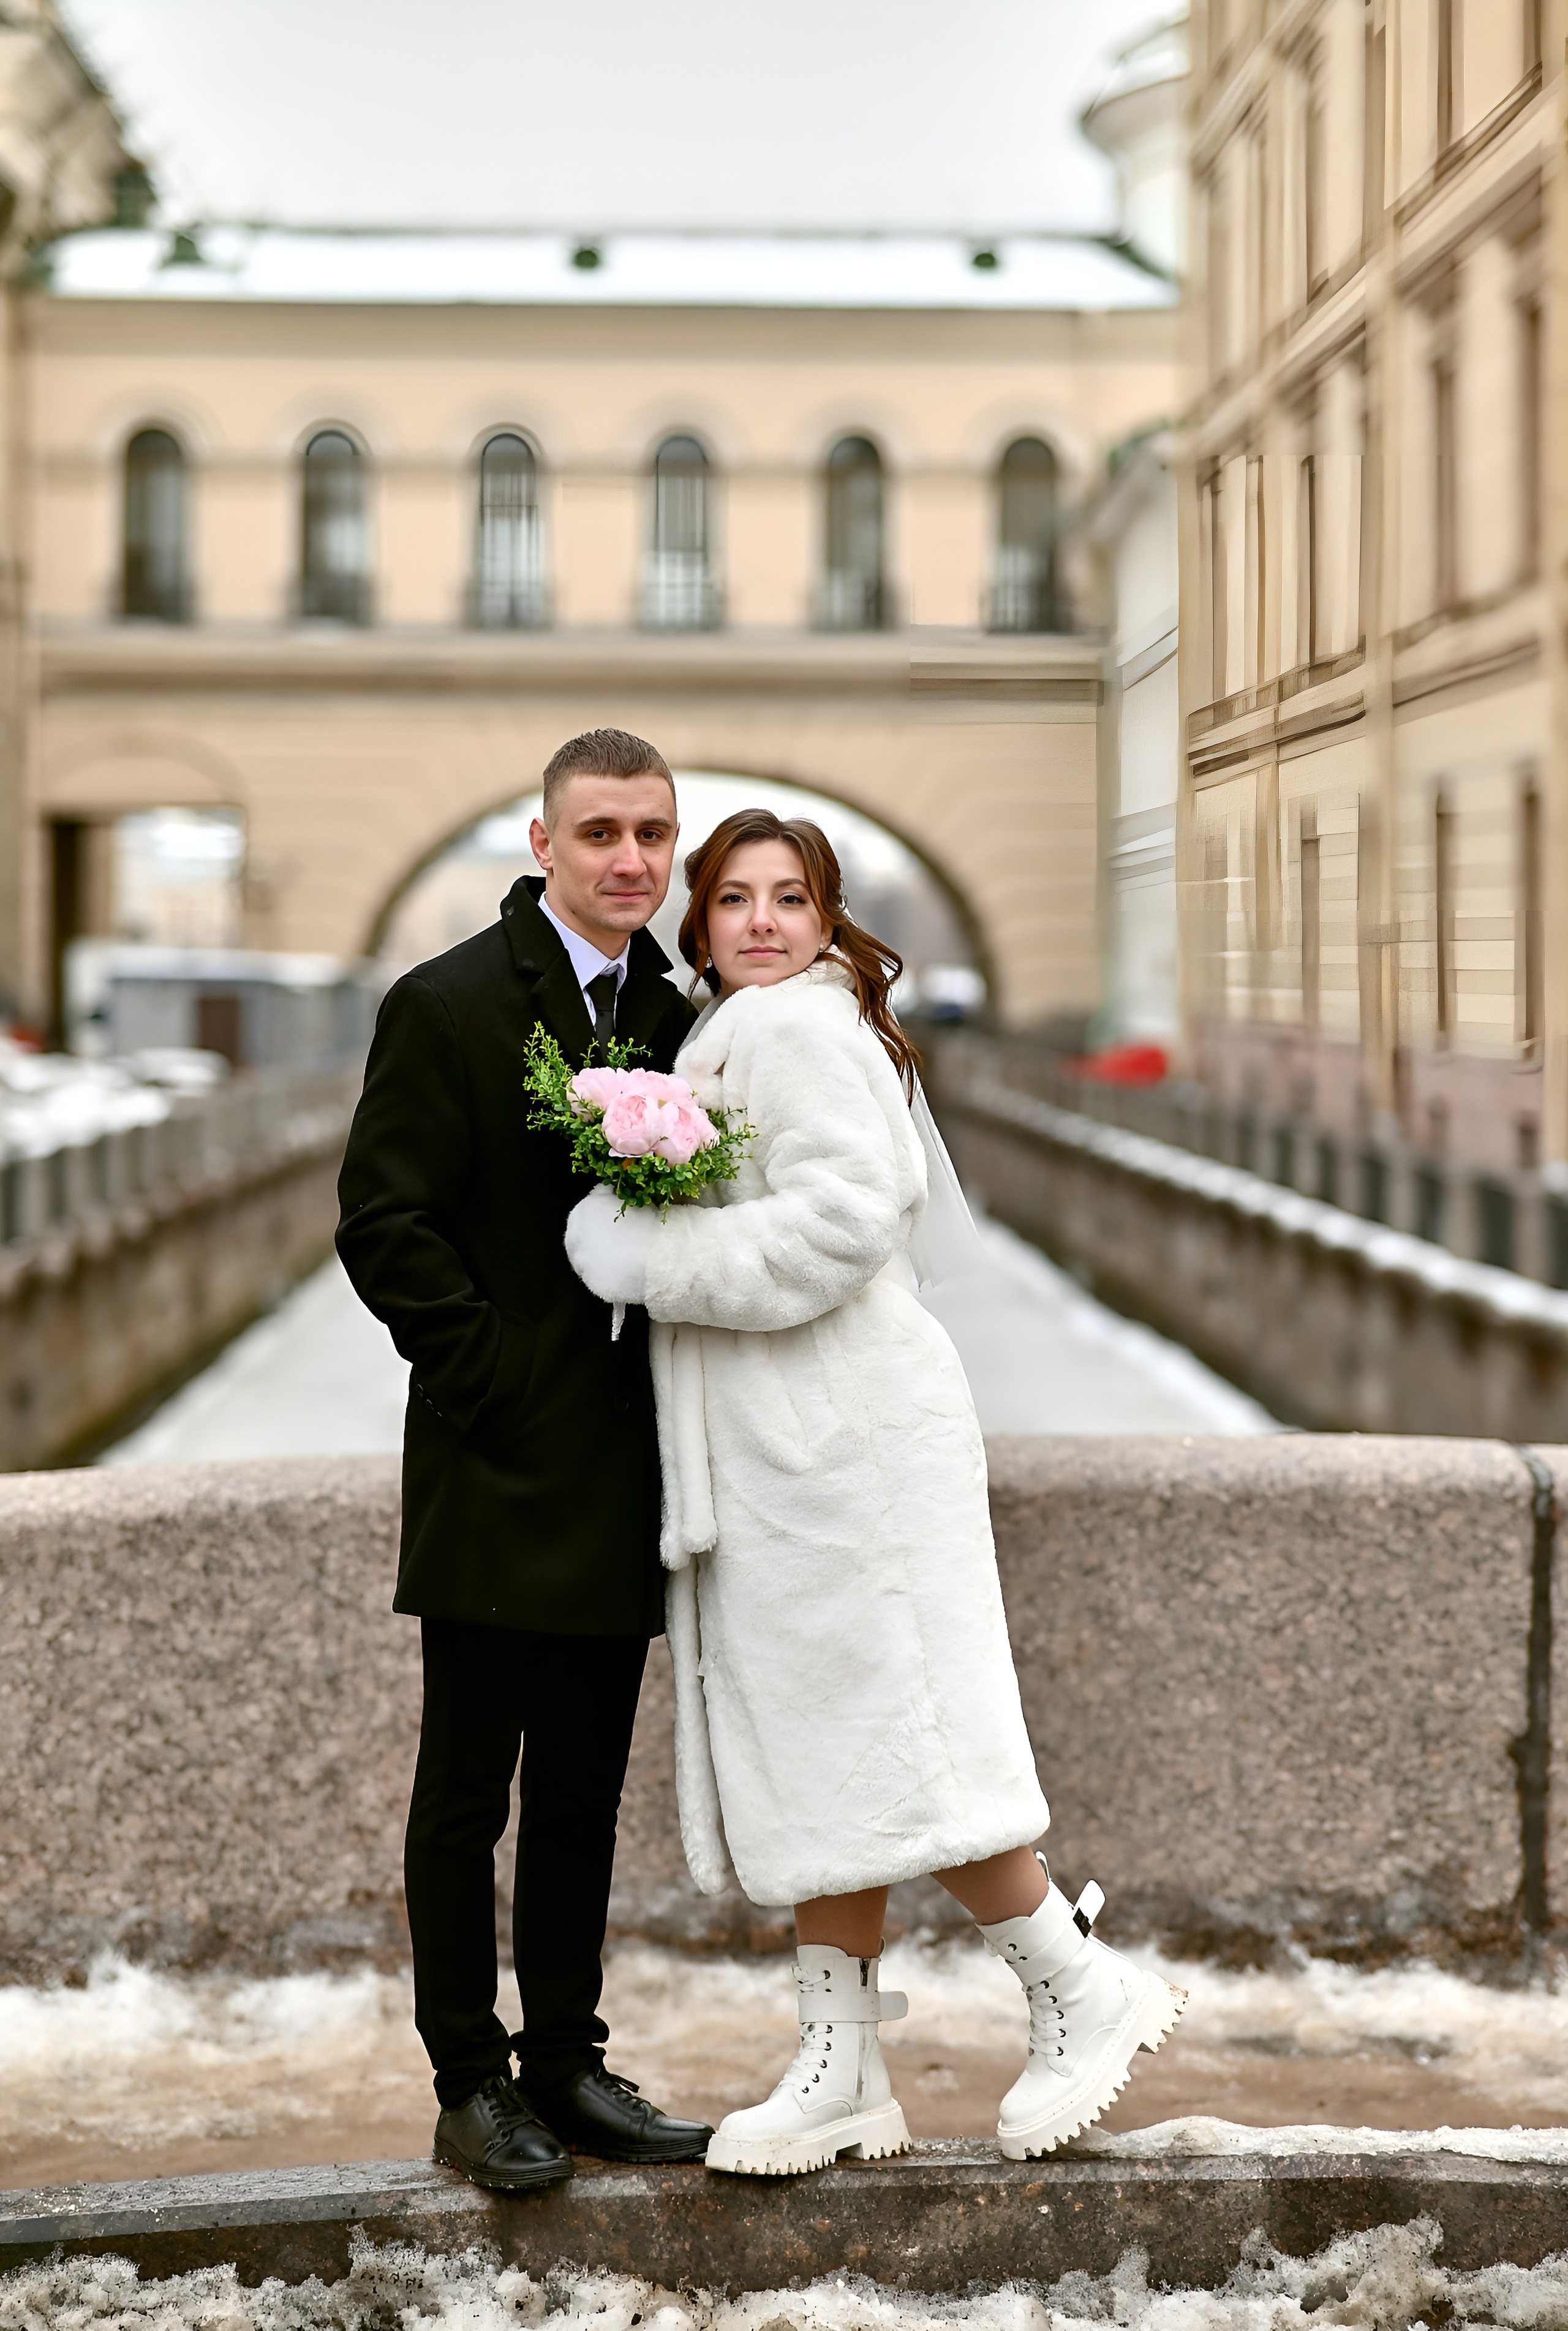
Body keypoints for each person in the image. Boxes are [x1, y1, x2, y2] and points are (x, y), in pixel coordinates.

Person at [565, 809, 1183, 2176]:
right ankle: (841, 2067)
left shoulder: (790, 1031)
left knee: (902, 1742)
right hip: (802, 1446)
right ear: (701, 920)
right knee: (830, 1749)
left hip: (839, 1443)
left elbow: (850, 1218)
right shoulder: (743, 1031)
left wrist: (645, 1254)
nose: (764, 923)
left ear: (828, 914)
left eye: (793, 898)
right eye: (735, 900)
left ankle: (1081, 1989)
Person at [336, 728, 714, 2191]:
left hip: (627, 1470)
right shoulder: (444, 1004)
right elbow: (384, 1222)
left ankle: (566, 2060)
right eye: (604, 832)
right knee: (464, 1791)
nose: (632, 860)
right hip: (496, 1459)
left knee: (581, 1789)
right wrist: (486, 1371)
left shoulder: (684, 1018)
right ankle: (466, 2080)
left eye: (654, 836)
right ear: (543, 840)